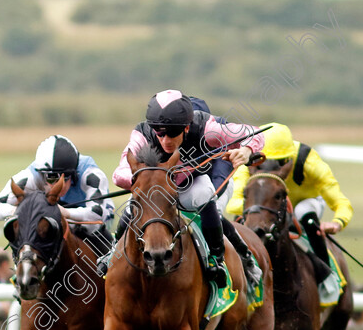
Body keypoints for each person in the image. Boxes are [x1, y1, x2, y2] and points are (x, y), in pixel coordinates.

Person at [105, 89, 266, 287]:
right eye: (160, 133)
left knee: (206, 197)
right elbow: (119, 173)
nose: (166, 140)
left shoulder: (209, 129)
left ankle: (221, 258)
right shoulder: (142, 134)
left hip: (197, 181)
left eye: (173, 133)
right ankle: (112, 252)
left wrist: (247, 150)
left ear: (187, 128)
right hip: (161, 189)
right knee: (135, 202)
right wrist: (147, 183)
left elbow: (253, 133)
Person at [226, 122, 353, 282]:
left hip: (304, 202)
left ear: (289, 157)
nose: (270, 169)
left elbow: (340, 202)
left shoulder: (308, 161)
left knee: (304, 214)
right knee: (241, 220)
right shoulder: (251, 161)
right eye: (264, 161)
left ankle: (326, 276)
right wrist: (261, 210)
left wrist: (338, 222)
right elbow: (234, 203)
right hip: (270, 209)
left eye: (279, 163)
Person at [0, 134, 115, 252]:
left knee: (92, 231)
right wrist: (19, 211)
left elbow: (99, 214)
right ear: (41, 174)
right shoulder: (30, 176)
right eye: (51, 178)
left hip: (93, 222)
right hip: (53, 219)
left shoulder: (91, 174)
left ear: (75, 173)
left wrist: (66, 213)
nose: (59, 185)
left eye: (66, 177)